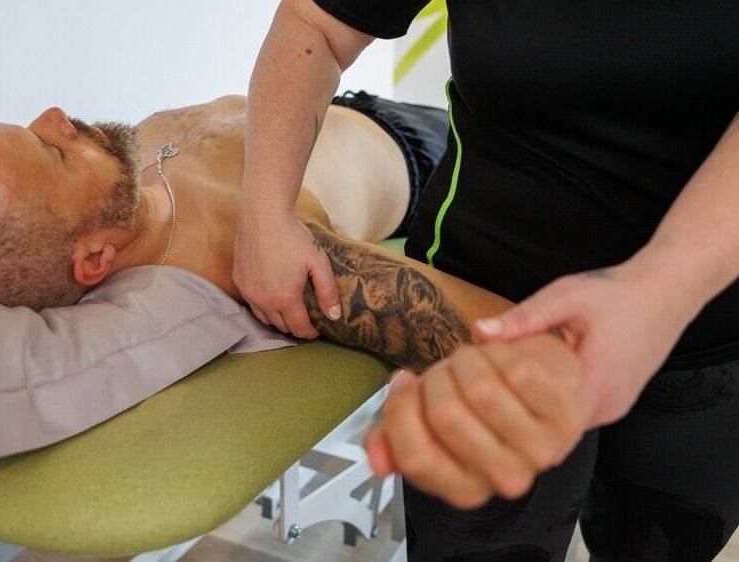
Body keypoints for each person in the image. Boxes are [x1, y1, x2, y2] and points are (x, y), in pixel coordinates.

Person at [232, 1, 739, 560]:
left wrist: (662, 288)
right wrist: (264, 212)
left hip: (709, 320)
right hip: (479, 317)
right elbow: (317, 25)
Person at [0, 88, 582, 490]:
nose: (55, 116)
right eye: (53, 151)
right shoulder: (254, 252)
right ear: (94, 261)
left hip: (340, 100)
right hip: (436, 150)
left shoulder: (113, 189)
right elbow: (544, 353)